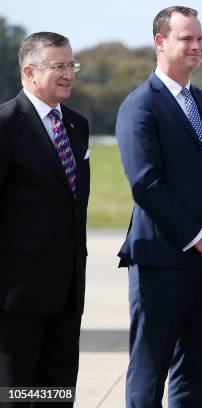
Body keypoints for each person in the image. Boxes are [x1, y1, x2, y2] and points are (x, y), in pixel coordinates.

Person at [116, 6, 202, 407]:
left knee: (195, 377)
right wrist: (195, 237)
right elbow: (145, 183)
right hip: (162, 262)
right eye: (186, 38)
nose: (196, 46)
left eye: (200, 38)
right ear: (160, 42)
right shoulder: (141, 105)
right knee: (149, 374)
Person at [0, 32, 90, 403]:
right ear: (29, 71)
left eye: (72, 65)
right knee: (17, 396)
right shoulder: (6, 124)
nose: (68, 74)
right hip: (16, 298)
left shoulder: (76, 125)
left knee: (56, 396)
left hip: (67, 293)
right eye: (58, 66)